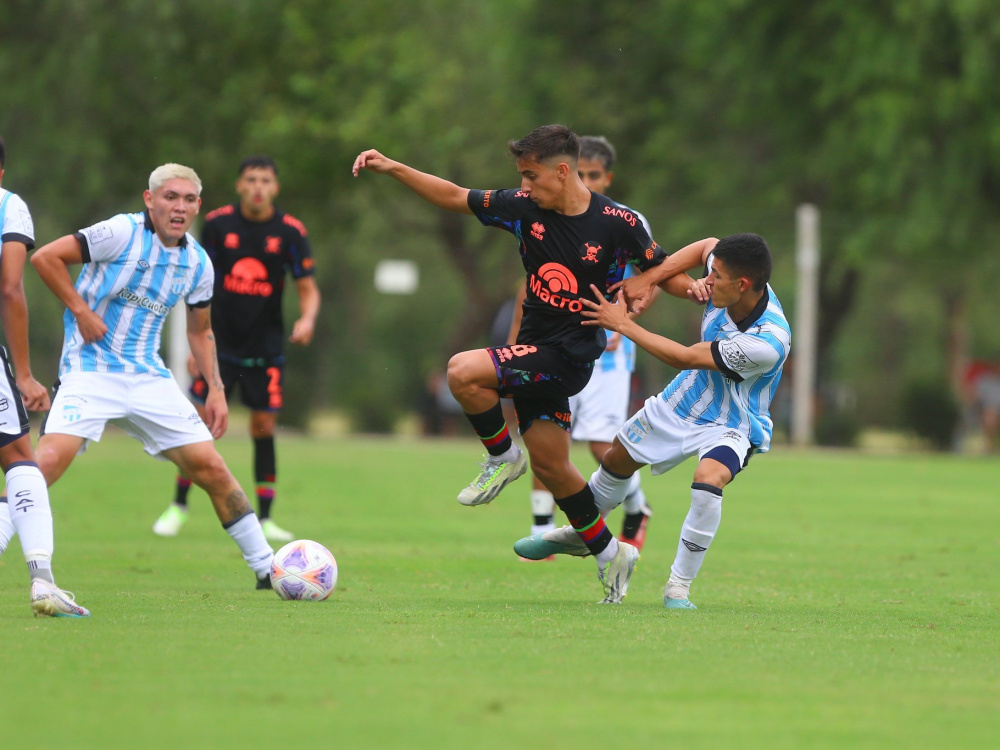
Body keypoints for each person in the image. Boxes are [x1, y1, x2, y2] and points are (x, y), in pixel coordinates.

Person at [353, 124, 697, 602]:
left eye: (531, 176)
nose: (524, 186)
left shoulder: (618, 222)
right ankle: (610, 555)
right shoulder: (524, 208)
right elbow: (454, 196)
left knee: (462, 371)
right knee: (555, 468)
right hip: (535, 351)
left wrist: (697, 289)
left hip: (569, 356)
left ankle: (501, 455)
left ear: (562, 170)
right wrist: (393, 167)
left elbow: (661, 267)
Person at [0, 163, 275, 592]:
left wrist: (217, 390)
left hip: (149, 378)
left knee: (213, 468)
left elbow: (200, 330)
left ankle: (269, 569)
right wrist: (81, 310)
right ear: (150, 200)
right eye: (170, 197)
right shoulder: (120, 233)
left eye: (188, 200)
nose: (179, 207)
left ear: (198, 206)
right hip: (90, 371)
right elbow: (46, 258)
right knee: (45, 464)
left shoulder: (198, 262)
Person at [515, 233, 790, 610]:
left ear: (742, 286)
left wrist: (621, 324)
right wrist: (649, 278)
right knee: (615, 459)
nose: (707, 282)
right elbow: (704, 245)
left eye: (716, 279)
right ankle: (584, 534)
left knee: (709, 479)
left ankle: (678, 586)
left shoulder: (768, 341)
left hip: (734, 422)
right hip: (682, 402)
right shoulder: (727, 272)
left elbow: (684, 357)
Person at [151, 156, 320, 542]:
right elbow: (195, 280)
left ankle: (266, 518)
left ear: (275, 187)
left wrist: (307, 318)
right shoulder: (217, 224)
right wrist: (196, 345)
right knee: (196, 427)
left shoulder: (291, 231)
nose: (258, 186)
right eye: (251, 179)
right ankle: (178, 506)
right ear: (239, 185)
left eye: (265, 180)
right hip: (217, 345)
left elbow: (307, 287)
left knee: (264, 428)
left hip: (266, 349)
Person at [509, 135, 653, 553]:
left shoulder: (623, 220)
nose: (588, 180)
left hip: (608, 353)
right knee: (545, 435)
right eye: (582, 172)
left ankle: (636, 507)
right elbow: (533, 282)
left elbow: (652, 275)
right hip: (554, 343)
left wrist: (621, 321)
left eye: (595, 174)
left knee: (598, 444)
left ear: (607, 177)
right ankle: (542, 527)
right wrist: (513, 345)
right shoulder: (548, 209)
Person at [0, 135, 90, 617]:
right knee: (18, 458)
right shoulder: (9, 206)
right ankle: (42, 582)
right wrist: (26, 374)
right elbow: (11, 287)